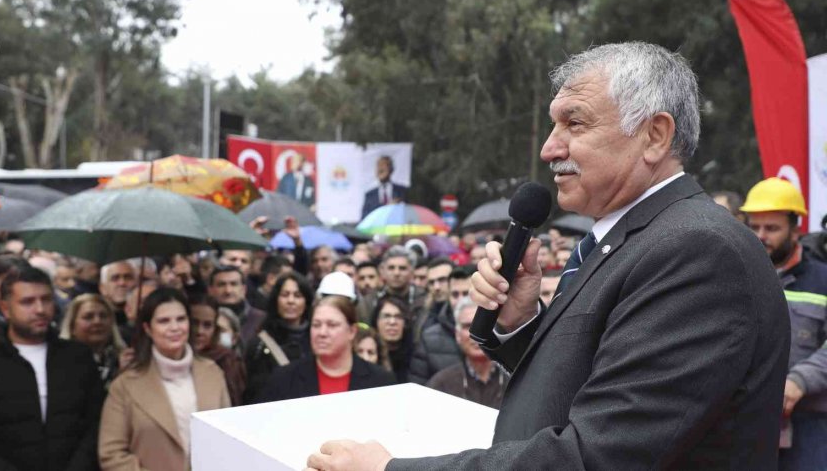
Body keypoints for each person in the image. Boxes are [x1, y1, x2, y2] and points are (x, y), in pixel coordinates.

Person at [305, 42, 789, 471]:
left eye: (574, 122)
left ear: (655, 136)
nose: (548, 148)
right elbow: (589, 382)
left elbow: (596, 456)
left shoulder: (697, 251)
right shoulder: (631, 239)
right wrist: (520, 322)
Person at [0, 265, 104, 471]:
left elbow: (96, 425)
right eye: (27, 302)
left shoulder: (78, 358)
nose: (40, 309)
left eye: (46, 299)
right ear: (5, 308)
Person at [739, 177, 827, 470]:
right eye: (754, 227)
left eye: (772, 228)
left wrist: (799, 381)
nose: (761, 235)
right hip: (746, 420)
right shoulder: (736, 275)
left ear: (795, 229)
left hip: (810, 425)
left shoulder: (822, 280)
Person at [98, 288, 229, 471]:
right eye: (164, 321)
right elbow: (111, 453)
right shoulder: (125, 385)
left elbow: (226, 439)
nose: (174, 327)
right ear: (148, 329)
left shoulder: (212, 373)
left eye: (181, 319)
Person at [259, 295, 395, 402]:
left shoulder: (381, 381)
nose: (322, 333)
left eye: (332, 325)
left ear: (352, 331)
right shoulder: (284, 379)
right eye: (316, 325)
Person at [244, 272, 314, 402]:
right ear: (276, 299)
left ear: (306, 301)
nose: (290, 301)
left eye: (297, 296)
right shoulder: (260, 344)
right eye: (285, 295)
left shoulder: (317, 340)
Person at [427, 296, 506, 409]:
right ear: (457, 335)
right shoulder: (440, 384)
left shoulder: (517, 380)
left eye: (484, 324)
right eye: (467, 326)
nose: (476, 333)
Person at [408, 266, 470, 384]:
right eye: (455, 295)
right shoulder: (429, 338)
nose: (461, 300)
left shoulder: (497, 331)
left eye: (466, 294)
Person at [60, 293, 129, 388]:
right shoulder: (61, 363)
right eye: (88, 317)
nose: (97, 321)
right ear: (72, 326)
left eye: (103, 316)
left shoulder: (123, 359)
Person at [189, 295, 247, 406]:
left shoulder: (228, 361)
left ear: (215, 329)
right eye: (194, 323)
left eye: (207, 325)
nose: (199, 331)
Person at [208, 265, 266, 349]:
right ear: (210, 290)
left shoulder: (261, 320)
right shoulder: (202, 319)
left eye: (234, 284)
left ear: (244, 289)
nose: (228, 290)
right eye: (221, 285)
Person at [372, 296, 413, 383]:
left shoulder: (415, 356)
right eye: (386, 316)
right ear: (376, 321)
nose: (392, 322)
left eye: (398, 317)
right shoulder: (368, 353)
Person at [100, 260, 138, 329]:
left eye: (128, 277)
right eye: (115, 278)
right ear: (102, 288)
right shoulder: (97, 320)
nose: (122, 283)